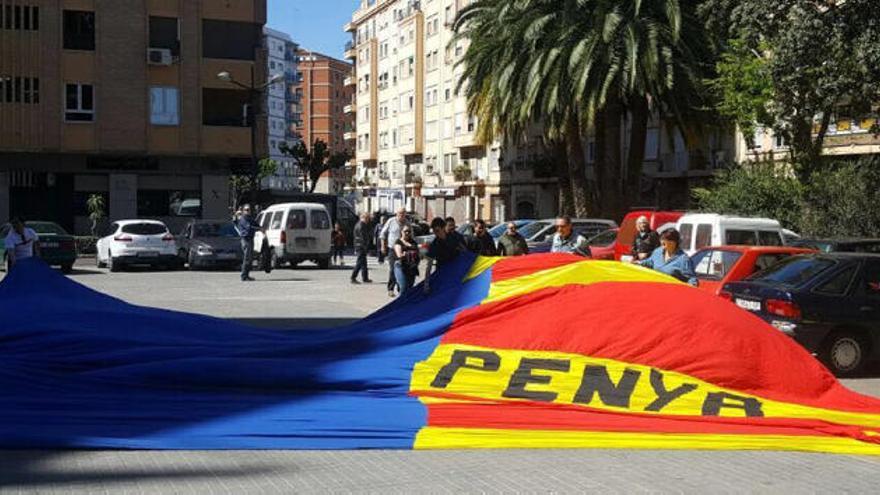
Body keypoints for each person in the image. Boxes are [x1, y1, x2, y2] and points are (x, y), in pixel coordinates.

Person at [423, 217, 465, 294]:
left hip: (456, 272)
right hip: (442, 274)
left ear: (443, 228)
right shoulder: (434, 244)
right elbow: (428, 265)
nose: (436, 233)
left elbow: (465, 252)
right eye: (434, 231)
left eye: (437, 231)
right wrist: (426, 284)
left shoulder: (455, 237)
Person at [380, 209, 411, 297]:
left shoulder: (407, 223)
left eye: (404, 214)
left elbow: (412, 235)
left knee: (402, 269)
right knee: (392, 269)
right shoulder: (391, 221)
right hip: (392, 249)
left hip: (403, 249)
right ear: (396, 214)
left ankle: (400, 288)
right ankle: (390, 289)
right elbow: (383, 234)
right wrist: (383, 246)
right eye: (400, 213)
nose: (402, 215)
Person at [235, 204, 262, 282]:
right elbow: (249, 227)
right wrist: (259, 229)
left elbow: (255, 224)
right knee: (247, 258)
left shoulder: (249, 218)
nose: (248, 211)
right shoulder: (243, 219)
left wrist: (261, 227)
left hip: (250, 239)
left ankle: (247, 275)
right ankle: (243, 276)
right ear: (243, 211)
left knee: (250, 258)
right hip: (245, 240)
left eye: (249, 210)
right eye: (246, 210)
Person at [393, 226, 421, 297]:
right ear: (401, 232)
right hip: (401, 267)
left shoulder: (413, 242)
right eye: (405, 231)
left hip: (412, 267)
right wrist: (408, 254)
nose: (407, 233)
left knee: (409, 289)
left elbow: (418, 253)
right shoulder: (398, 242)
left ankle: (406, 305)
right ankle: (400, 305)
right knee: (404, 288)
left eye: (409, 231)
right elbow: (399, 255)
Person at [350, 213, 373, 285]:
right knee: (360, 262)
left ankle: (365, 277)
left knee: (364, 262)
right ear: (364, 218)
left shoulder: (358, 224)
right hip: (361, 246)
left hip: (359, 245)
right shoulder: (362, 225)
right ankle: (353, 277)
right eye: (367, 218)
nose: (368, 220)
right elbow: (363, 237)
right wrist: (365, 246)